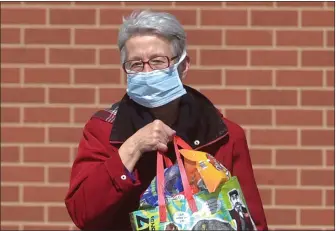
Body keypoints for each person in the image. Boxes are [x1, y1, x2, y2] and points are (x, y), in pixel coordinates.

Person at [65, 10, 268, 231]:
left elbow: (251, 221)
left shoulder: (224, 135)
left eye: (158, 61)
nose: (147, 71)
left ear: (183, 65)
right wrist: (132, 148)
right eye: (136, 64)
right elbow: (82, 214)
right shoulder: (103, 131)